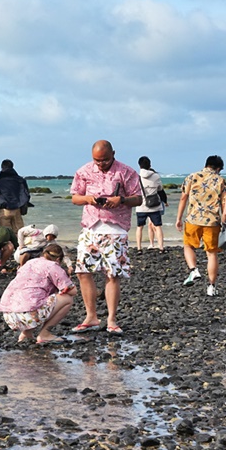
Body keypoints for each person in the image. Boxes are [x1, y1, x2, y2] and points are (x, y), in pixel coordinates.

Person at [69, 140, 142, 335]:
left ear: (113, 154)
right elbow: (75, 197)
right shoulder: (84, 171)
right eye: (97, 160)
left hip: (116, 228)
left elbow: (139, 198)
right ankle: (91, 316)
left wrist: (121, 200)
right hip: (91, 227)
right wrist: (88, 199)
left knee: (112, 274)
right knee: (83, 272)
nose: (100, 164)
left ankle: (111, 319)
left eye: (105, 160)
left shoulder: (126, 172)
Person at [0, 244, 78, 345]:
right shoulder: (53, 266)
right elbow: (72, 291)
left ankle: (26, 333)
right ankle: (45, 334)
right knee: (67, 299)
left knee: (34, 297)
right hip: (28, 314)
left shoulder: (30, 262)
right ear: (58, 259)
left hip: (9, 315)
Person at [175, 156, 226, 296]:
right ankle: (211, 286)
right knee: (212, 254)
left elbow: (183, 197)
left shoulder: (191, 177)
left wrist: (179, 218)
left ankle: (194, 270)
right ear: (217, 168)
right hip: (212, 221)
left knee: (188, 246)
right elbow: (224, 204)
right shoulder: (221, 181)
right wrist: (225, 220)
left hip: (193, 219)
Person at [135, 156, 166, 252]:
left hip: (141, 206)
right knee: (158, 226)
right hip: (154, 206)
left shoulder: (136, 177)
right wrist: (165, 200)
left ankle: (139, 248)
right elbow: (160, 189)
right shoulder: (156, 176)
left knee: (139, 227)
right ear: (150, 165)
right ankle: (161, 247)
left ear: (139, 165)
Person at [0, 159, 31, 235]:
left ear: (2, 167)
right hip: (17, 209)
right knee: (20, 233)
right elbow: (26, 194)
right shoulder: (20, 180)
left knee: (5, 234)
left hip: (4, 210)